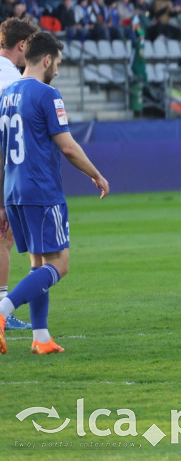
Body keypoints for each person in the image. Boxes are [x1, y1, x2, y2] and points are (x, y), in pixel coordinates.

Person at [0, 32, 110, 355]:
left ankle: (42, 336)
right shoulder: (47, 94)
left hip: (13, 191)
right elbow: (67, 147)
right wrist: (97, 175)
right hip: (41, 189)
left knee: (38, 264)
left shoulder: (6, 96)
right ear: (47, 59)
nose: (58, 71)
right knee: (60, 264)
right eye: (58, 63)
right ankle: (3, 311)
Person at [0, 19, 40, 333]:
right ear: (22, 45)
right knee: (4, 237)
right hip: (6, 168)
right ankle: (2, 309)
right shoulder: (12, 77)